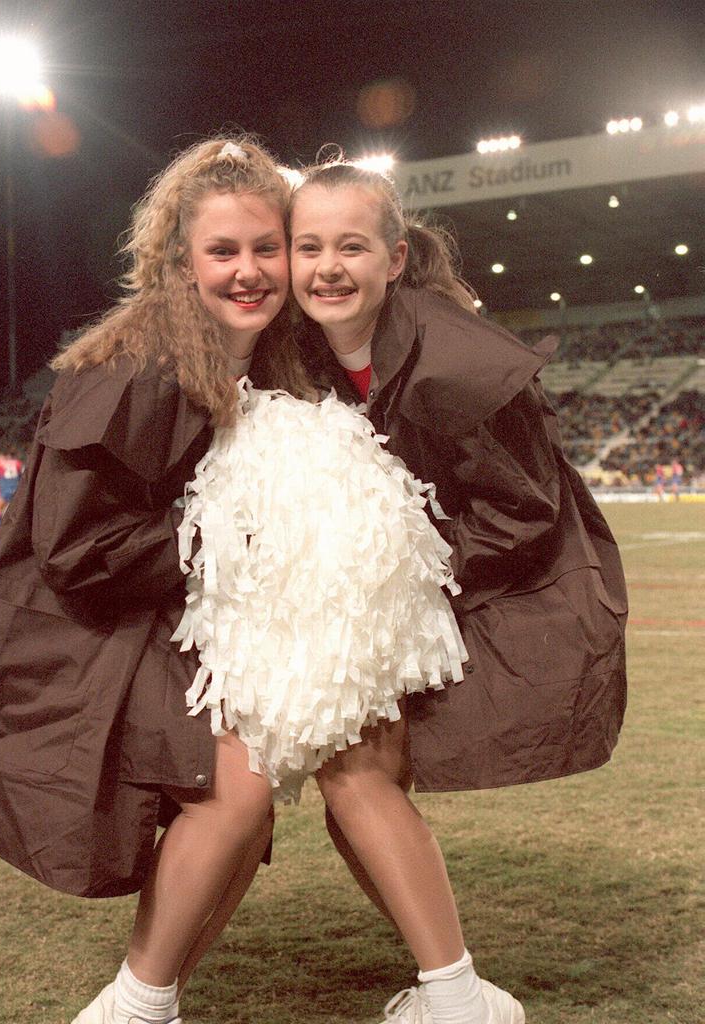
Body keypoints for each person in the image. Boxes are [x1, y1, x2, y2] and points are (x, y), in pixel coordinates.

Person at [0, 135, 314, 1024]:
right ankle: (132, 1009)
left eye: (268, 247)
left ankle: (154, 1002)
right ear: (179, 259)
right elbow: (75, 546)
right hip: (84, 616)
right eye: (223, 251)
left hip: (158, 610)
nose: (250, 270)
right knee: (240, 782)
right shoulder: (138, 358)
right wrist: (231, 536)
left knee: (248, 812)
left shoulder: (253, 356)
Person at [288, 160, 628, 1024]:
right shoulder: (303, 348)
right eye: (309, 246)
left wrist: (385, 572)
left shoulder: (457, 358)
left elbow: (523, 511)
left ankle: (458, 996)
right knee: (355, 789)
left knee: (355, 778)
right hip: (414, 586)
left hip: (497, 578)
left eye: (352, 246)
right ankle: (451, 990)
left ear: (396, 259)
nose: (328, 266)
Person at [0, 447, 24, 529]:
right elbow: (24, 476)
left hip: (4, 489)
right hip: (16, 489)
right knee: (18, 510)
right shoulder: (18, 463)